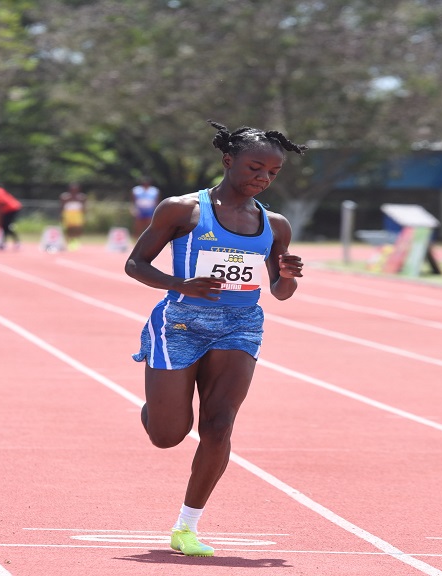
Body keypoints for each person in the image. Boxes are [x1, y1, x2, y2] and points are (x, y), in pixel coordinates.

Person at [124, 120, 305, 557]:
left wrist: (285, 277)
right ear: (228, 161)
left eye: (272, 173)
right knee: (168, 434)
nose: (262, 178)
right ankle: (159, 403)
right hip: (181, 323)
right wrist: (180, 283)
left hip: (240, 326)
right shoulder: (182, 209)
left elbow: (280, 293)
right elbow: (135, 264)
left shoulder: (275, 225)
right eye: (255, 167)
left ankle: (187, 527)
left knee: (219, 425)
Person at [0, 180, 23, 250]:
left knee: (7, 226)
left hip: (11, 209)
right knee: (6, 226)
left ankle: (6, 243)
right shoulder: (0, 191)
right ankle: (5, 243)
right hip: (12, 208)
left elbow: (1, 202)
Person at [60, 182, 86, 250]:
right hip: (68, 214)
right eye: (72, 189)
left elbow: (84, 207)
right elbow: (62, 207)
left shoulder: (81, 197)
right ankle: (67, 242)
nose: (74, 190)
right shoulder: (65, 197)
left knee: (78, 229)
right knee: (68, 229)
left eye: (75, 189)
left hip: (78, 214)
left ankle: (76, 242)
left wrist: (84, 215)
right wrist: (61, 216)